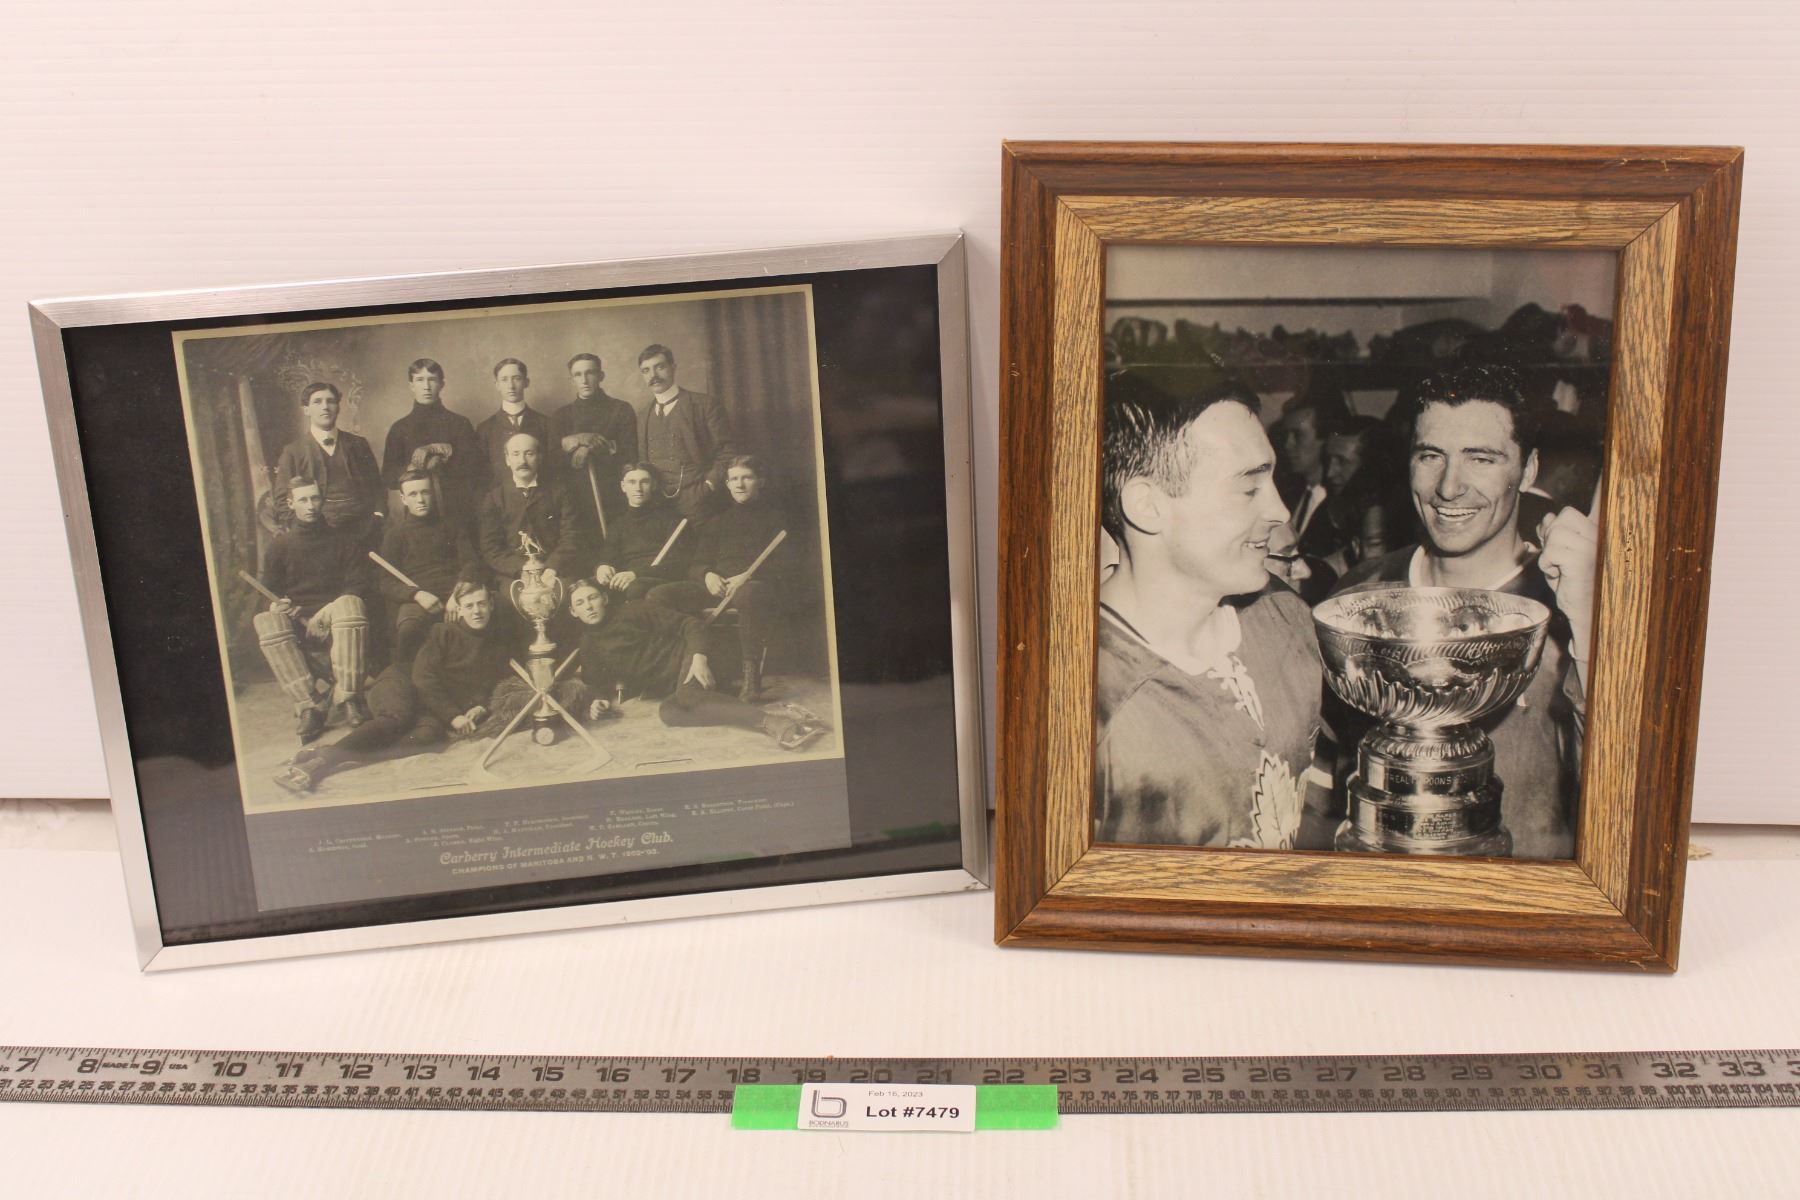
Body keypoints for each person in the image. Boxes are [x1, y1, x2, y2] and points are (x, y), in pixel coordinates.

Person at [1331, 363, 1597, 860]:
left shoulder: (1568, 609)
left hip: (1519, 894)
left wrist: (1591, 624)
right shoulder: (1359, 596)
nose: (1449, 487)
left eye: (1481, 458)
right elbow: (1323, 778)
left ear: (1528, 470)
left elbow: (1617, 793)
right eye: (1431, 456)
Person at [1093, 372, 1326, 850]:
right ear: (1147, 506)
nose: (1281, 511)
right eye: (1248, 488)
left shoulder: (1286, 617)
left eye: (1272, 480)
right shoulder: (1094, 706)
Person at [273, 576, 511, 795]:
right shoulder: (443, 632)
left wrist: (480, 706)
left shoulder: (498, 643)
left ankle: (327, 753)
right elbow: (423, 678)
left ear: (491, 605)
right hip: (402, 681)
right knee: (396, 719)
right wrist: (453, 716)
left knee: (429, 738)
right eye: (469, 606)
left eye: (481, 604)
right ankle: (320, 765)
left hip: (430, 706)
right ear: (458, 609)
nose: (476, 611)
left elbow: (491, 682)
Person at [568, 579, 824, 751]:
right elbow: (596, 682)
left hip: (696, 658)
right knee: (669, 713)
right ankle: (747, 708)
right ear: (573, 612)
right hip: (673, 683)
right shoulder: (588, 644)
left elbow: (691, 625)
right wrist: (598, 701)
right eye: (580, 603)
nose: (588, 606)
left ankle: (773, 723)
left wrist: (699, 658)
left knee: (687, 696)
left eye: (592, 598)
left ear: (604, 598)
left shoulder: (633, 610)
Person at [646, 456, 789, 703]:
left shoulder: (777, 518)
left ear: (761, 481)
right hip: (718, 588)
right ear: (727, 483)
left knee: (748, 594)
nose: (740, 484)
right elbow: (697, 563)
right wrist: (707, 575)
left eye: (747, 477)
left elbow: (789, 566)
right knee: (658, 595)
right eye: (734, 479)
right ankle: (676, 670)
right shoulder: (718, 521)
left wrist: (749, 576)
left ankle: (751, 682)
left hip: (757, 588)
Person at [252, 478, 373, 744]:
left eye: (315, 498)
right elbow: (266, 592)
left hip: (337, 617)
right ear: (291, 503)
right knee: (266, 620)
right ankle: (309, 705)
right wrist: (276, 604)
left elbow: (358, 584)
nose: (310, 506)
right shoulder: (280, 546)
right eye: (303, 500)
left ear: (322, 500)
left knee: (352, 603)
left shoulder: (344, 541)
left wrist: (328, 612)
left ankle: (348, 696)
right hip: (298, 622)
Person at [376, 470, 481, 665]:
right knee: (409, 629)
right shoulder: (395, 535)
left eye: (425, 492)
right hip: (419, 599)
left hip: (455, 593)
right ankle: (407, 677)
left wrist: (458, 595)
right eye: (413, 494)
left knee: (494, 610)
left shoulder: (452, 526)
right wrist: (416, 595)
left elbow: (471, 564)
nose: (420, 499)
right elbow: (386, 582)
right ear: (403, 499)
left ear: (433, 493)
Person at [273, 382, 385, 544]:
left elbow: (378, 487)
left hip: (363, 530)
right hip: (318, 535)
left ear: (338, 407)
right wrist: (304, 530)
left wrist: (378, 516)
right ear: (306, 410)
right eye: (317, 402)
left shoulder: (358, 445)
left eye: (330, 401)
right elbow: (282, 500)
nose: (325, 407)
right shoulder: (293, 452)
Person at [379, 359, 484, 531]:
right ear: (411, 385)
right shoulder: (399, 428)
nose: (426, 386)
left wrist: (441, 453)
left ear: (442, 384)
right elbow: (388, 477)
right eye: (420, 380)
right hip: (417, 516)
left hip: (458, 513)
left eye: (432, 380)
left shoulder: (460, 424)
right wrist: (414, 467)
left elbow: (476, 469)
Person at [636, 344, 735, 519]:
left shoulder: (705, 405)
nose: (653, 376)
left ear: (673, 368)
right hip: (659, 506)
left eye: (660, 367)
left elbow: (728, 452)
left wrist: (709, 485)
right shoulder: (643, 415)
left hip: (700, 502)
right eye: (646, 370)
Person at [477, 432, 586, 580]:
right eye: (515, 454)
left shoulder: (560, 492)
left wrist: (553, 567)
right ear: (507, 460)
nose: (522, 461)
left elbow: (572, 535)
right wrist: (520, 569)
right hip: (514, 574)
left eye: (529, 454)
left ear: (539, 458)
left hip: (556, 570)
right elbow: (491, 548)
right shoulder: (494, 498)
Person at [551, 352, 639, 531]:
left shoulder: (621, 409)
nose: (584, 380)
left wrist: (591, 448)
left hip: (613, 496)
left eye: (590, 373)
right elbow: (552, 460)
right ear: (572, 380)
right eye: (578, 375)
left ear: (601, 376)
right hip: (574, 499)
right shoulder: (561, 415)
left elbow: (629, 454)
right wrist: (579, 442)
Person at [593, 463, 689, 603]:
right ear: (623, 486)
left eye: (644, 482)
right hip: (626, 580)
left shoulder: (671, 519)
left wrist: (635, 574)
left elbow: (679, 564)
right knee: (588, 589)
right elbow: (608, 557)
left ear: (653, 485)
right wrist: (602, 567)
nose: (638, 488)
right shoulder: (617, 525)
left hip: (658, 579)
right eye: (632, 482)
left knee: (635, 589)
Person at [474, 358, 555, 487]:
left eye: (517, 378)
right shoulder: (485, 429)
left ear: (526, 382)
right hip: (500, 497)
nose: (511, 386)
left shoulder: (545, 423)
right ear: (497, 385)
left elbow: (553, 469)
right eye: (504, 380)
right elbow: (480, 475)